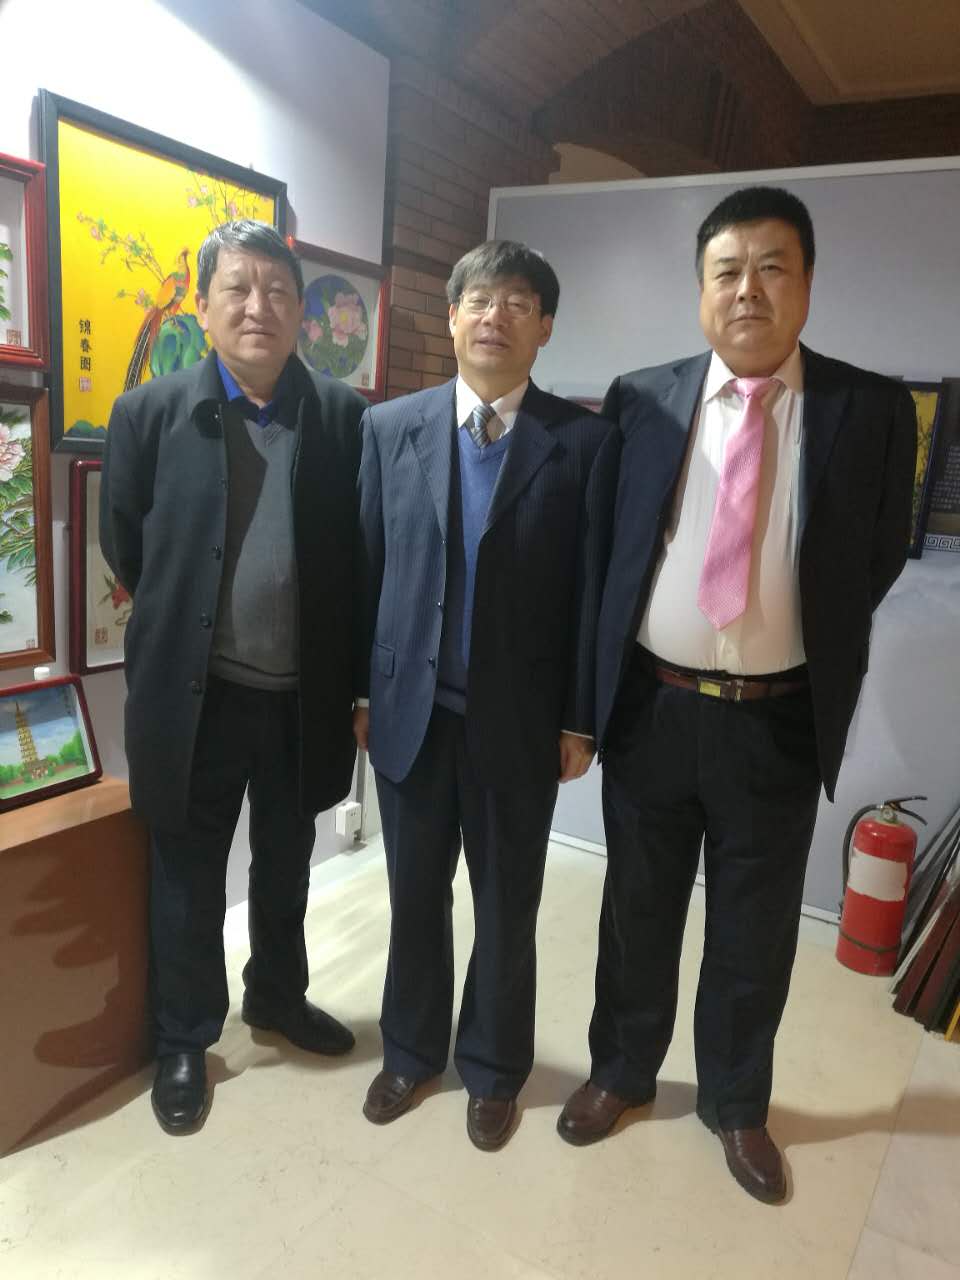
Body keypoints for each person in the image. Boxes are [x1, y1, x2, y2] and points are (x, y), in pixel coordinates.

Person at [558, 186, 917, 1202]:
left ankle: (736, 1102)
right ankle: (622, 1071)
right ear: (700, 289)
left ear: (807, 282)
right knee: (636, 909)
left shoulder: (869, 410)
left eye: (772, 267)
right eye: (727, 270)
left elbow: (877, 555)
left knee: (755, 930)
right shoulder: (640, 398)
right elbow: (608, 553)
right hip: (654, 708)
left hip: (778, 720)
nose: (748, 289)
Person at [101, 220, 367, 1134]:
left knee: (287, 864)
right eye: (239, 289)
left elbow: (357, 558)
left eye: (278, 290)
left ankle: (278, 997)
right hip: (196, 698)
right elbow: (128, 546)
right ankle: (185, 1038)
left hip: (302, 697)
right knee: (187, 871)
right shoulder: (147, 414)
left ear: (300, 311)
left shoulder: (342, 418)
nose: (260, 307)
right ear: (207, 304)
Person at [354, 240, 612, 1150]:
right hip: (411, 719)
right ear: (453, 316)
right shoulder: (391, 429)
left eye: (517, 302)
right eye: (479, 299)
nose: (495, 316)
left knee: (506, 909)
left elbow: (590, 594)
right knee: (414, 898)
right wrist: (360, 694)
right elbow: (366, 567)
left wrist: (580, 718)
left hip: (520, 726)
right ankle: (410, 1051)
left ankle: (495, 1070)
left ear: (545, 327)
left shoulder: (581, 443)